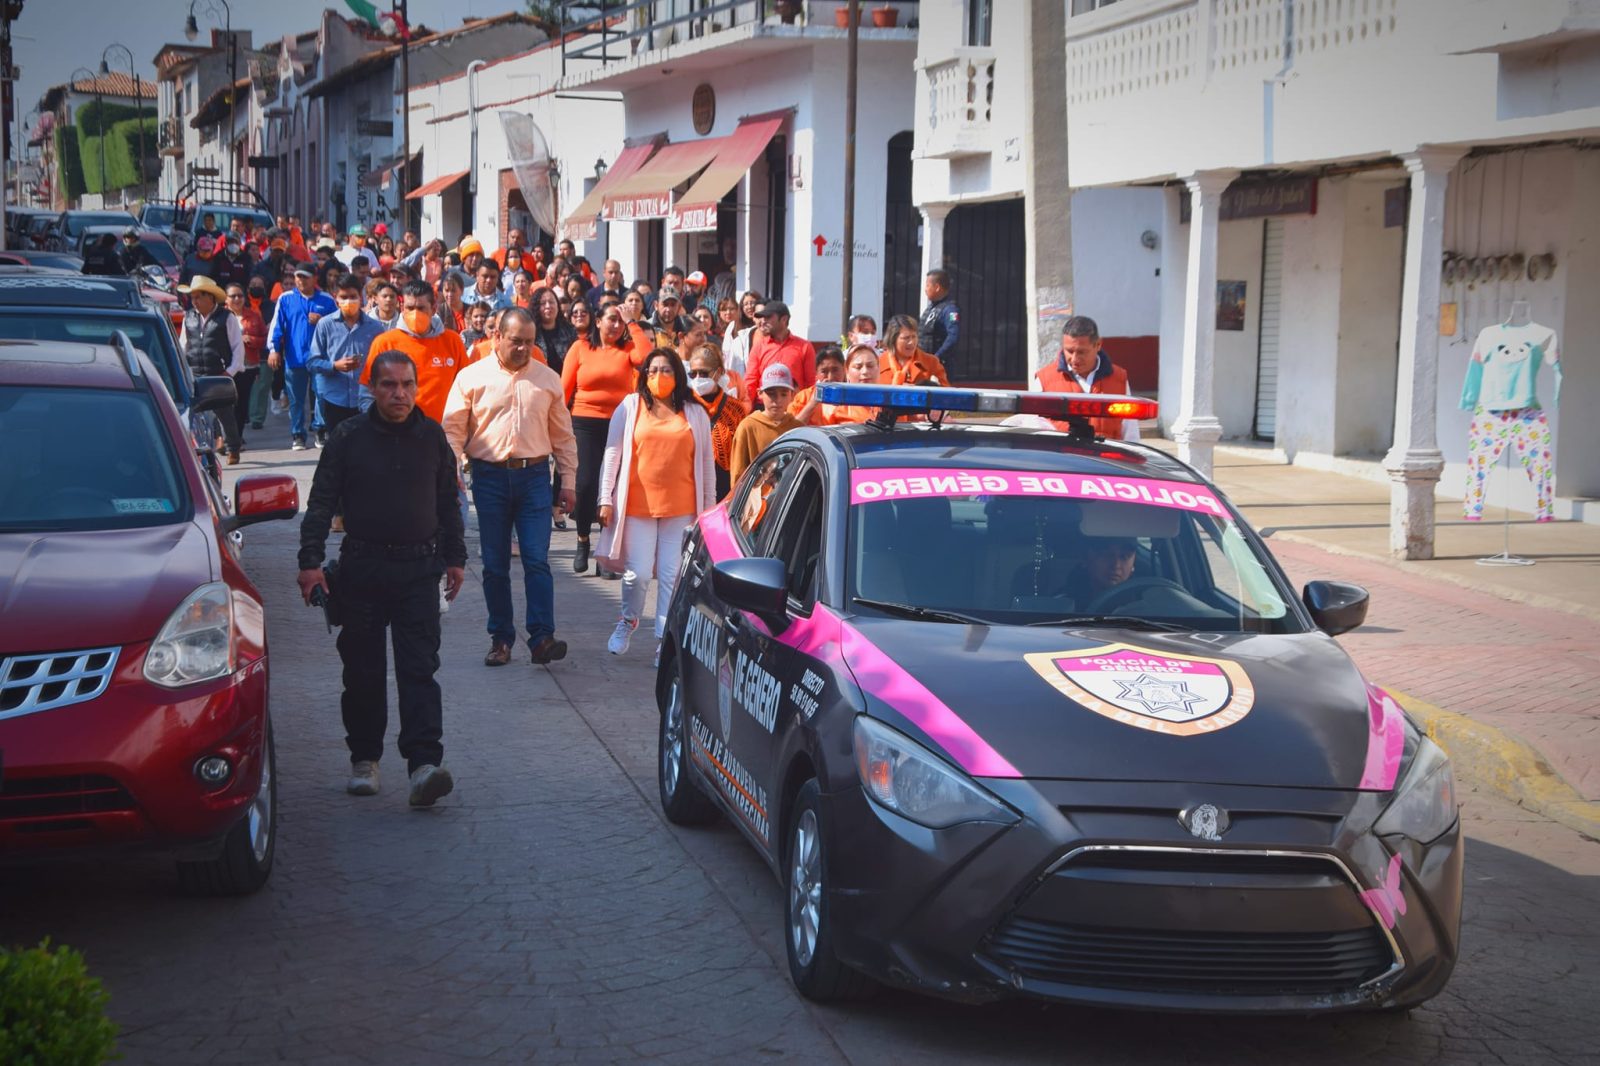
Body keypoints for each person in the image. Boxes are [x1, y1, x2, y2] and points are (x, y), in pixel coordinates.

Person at [297, 351, 465, 808]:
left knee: (419, 671)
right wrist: (310, 560)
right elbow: (320, 504)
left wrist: (456, 558)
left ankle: (424, 766)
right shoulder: (349, 438)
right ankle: (364, 760)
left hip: (418, 572)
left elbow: (448, 503)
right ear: (371, 387)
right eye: (389, 385)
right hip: (362, 572)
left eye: (408, 384)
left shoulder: (432, 438)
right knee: (363, 672)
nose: (400, 394)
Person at [442, 307, 579, 668]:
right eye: (516, 341)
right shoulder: (471, 377)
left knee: (537, 560)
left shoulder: (547, 379)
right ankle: (501, 638)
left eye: (530, 343)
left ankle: (542, 638)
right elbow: (453, 429)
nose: (523, 349)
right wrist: (450, 469)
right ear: (497, 337)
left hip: (534, 478)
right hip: (488, 479)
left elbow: (563, 436)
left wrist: (568, 482)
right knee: (495, 565)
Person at [596, 346, 716, 664]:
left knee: (670, 575)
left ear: (678, 375)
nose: (659, 377)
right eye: (653, 371)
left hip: (681, 509)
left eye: (666, 370)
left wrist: (708, 512)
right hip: (638, 507)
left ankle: (663, 640)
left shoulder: (695, 413)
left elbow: (706, 463)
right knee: (635, 574)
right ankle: (628, 619)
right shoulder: (630, 406)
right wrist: (605, 498)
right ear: (644, 375)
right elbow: (612, 453)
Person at [561, 305, 645, 576]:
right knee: (585, 484)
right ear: (597, 321)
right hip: (584, 422)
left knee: (613, 488)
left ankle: (606, 552)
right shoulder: (581, 348)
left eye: (620, 321)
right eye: (611, 319)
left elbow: (644, 357)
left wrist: (633, 323)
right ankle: (583, 539)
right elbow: (564, 389)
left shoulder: (627, 349)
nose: (616, 325)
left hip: (618, 423)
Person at [361, 281, 469, 427]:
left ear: (434, 308)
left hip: (443, 432)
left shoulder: (452, 341)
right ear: (402, 308)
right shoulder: (384, 342)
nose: (415, 313)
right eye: (410, 308)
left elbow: (467, 388)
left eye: (421, 308)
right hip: (396, 431)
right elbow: (366, 393)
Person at [1033, 314, 1138, 439]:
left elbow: (1131, 431)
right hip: (1062, 456)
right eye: (1070, 351)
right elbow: (1033, 429)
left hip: (1106, 457)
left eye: (1082, 352)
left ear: (1098, 345)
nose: (1075, 359)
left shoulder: (1119, 378)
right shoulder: (1044, 379)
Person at [178, 275, 245, 464]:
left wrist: (229, 372)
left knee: (225, 414)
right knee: (193, 415)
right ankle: (199, 449)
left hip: (218, 373)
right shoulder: (189, 317)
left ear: (210, 297)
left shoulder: (226, 317)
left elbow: (237, 348)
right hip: (194, 373)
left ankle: (233, 448)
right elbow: (184, 345)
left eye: (198, 297)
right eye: (193, 297)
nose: (194, 301)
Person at [269, 264, 337, 450]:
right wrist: (274, 349)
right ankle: (298, 434)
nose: (300, 280)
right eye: (298, 276)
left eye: (305, 277)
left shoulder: (327, 300)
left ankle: (320, 430)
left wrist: (322, 320)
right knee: (295, 399)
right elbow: (277, 326)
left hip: (320, 358)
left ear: (314, 279)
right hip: (295, 358)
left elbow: (338, 326)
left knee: (321, 395)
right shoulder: (286, 298)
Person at [308, 273, 384, 435]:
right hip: (334, 398)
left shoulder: (376, 328)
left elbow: (383, 363)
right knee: (338, 450)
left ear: (361, 297)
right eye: (344, 297)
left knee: (364, 448)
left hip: (365, 399)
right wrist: (334, 365)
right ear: (336, 298)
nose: (348, 301)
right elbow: (313, 361)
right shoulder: (325, 325)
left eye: (352, 296)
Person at [686, 343, 748, 500]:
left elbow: (742, 455)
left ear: (718, 372)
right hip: (690, 485)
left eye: (704, 373)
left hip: (724, 489)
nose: (698, 378)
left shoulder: (735, 410)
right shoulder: (683, 406)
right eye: (693, 374)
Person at [729, 364, 804, 483]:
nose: (777, 400)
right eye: (771, 393)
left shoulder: (798, 429)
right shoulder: (748, 427)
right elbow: (738, 475)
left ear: (792, 395)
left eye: (783, 394)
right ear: (760, 393)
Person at [745, 299, 817, 392]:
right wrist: (747, 406)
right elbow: (750, 381)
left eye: (768, 317)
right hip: (763, 404)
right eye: (763, 317)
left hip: (795, 404)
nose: (763, 321)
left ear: (784, 319)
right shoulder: (758, 347)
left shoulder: (805, 347)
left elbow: (810, 384)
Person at [225, 283, 269, 435]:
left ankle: (238, 435)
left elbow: (264, 339)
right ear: (226, 299)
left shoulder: (253, 315)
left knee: (242, 402)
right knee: (226, 402)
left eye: (240, 295)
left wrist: (251, 340)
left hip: (248, 365)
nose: (237, 299)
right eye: (233, 296)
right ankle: (225, 436)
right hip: (227, 367)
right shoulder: (221, 316)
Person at [790, 345, 856, 426]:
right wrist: (813, 402)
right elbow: (791, 430)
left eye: (835, 370)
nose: (830, 377)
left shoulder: (855, 398)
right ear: (816, 373)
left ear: (844, 369)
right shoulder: (803, 397)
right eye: (824, 371)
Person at [878, 313, 950, 386]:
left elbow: (946, 394)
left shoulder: (931, 363)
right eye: (906, 338)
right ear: (893, 339)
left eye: (914, 337)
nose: (911, 342)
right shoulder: (877, 364)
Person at [918, 268, 960, 365]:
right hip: (925, 362)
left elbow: (953, 337)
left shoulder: (950, 310)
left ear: (937, 287)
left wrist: (937, 356)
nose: (925, 289)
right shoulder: (932, 308)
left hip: (939, 365)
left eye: (927, 285)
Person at [531, 287, 575, 372]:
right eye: (543, 303)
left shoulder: (570, 331)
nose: (548, 306)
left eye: (551, 302)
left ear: (557, 306)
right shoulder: (531, 334)